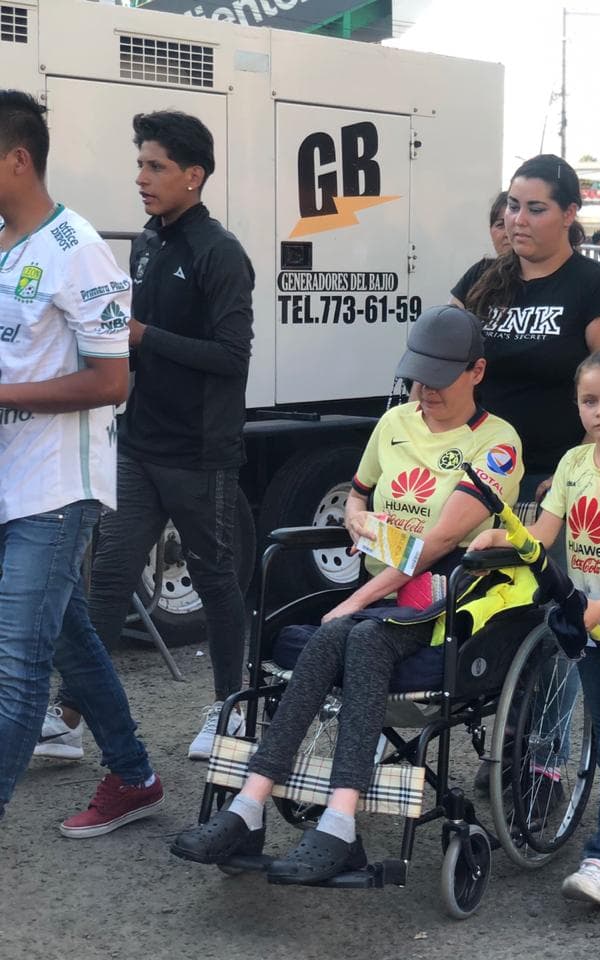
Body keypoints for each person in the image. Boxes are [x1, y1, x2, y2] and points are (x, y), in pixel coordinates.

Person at [169, 306, 523, 882]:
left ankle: (337, 823)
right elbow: (357, 493)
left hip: (451, 599)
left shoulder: (497, 443)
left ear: (477, 371)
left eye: (438, 378)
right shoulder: (395, 423)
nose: (423, 389)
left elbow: (436, 544)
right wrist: (357, 519)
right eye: (416, 376)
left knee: (356, 638)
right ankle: (250, 804)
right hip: (388, 598)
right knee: (332, 635)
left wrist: (358, 600)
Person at [42, 111, 256, 763]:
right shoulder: (147, 243)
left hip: (200, 452)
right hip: (138, 445)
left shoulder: (220, 253)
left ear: (194, 176)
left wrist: (142, 336)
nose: (141, 177)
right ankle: (72, 717)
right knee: (106, 578)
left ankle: (230, 711)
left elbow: (232, 356)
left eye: (155, 165)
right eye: (140, 163)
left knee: (217, 580)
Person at [0, 89, 163, 833]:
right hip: (8, 482)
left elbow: (111, 379)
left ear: (18, 159)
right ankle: (133, 775)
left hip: (55, 490)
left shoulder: (79, 249)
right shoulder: (3, 241)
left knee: (15, 668)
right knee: (68, 635)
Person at [473, 344, 600, 907]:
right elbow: (541, 538)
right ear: (577, 405)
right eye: (590, 400)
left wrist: (599, 610)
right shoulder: (571, 464)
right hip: (586, 626)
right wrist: (502, 534)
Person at [459, 154, 600, 510]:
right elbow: (440, 363)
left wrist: (575, 474)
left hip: (551, 482)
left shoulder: (597, 289)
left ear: (569, 214)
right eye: (513, 206)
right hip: (473, 472)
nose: (518, 221)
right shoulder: (481, 278)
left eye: (536, 209)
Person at [448, 190, 511, 306]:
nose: (507, 233)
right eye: (500, 225)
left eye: (513, 225)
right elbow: (451, 314)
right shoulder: (478, 273)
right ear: (490, 230)